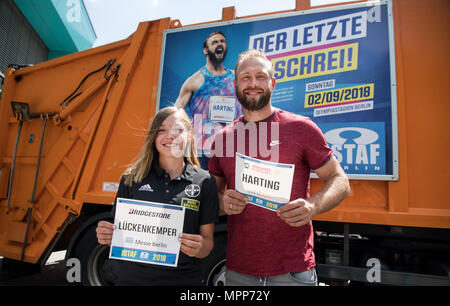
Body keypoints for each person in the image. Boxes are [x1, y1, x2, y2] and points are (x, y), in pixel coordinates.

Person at [208, 49, 350, 286]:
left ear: (272, 83)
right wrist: (222, 202)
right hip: (238, 272)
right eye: (246, 77)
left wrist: (312, 205)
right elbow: (211, 196)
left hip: (293, 271)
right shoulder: (223, 138)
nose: (253, 83)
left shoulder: (302, 129)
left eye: (260, 76)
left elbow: (340, 180)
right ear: (235, 85)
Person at [96, 106, 219, 286]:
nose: (170, 136)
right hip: (132, 279)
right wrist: (106, 235)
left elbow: (207, 245)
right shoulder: (132, 178)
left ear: (190, 136)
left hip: (183, 280)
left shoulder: (205, 181)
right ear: (153, 137)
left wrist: (199, 248)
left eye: (178, 130)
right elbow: (118, 235)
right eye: (162, 130)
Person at [175, 31, 242, 169]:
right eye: (215, 42)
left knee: (229, 191)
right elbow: (175, 113)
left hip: (233, 150)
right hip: (202, 152)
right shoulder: (194, 81)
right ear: (206, 50)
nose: (220, 44)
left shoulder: (238, 78)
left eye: (222, 41)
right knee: (204, 190)